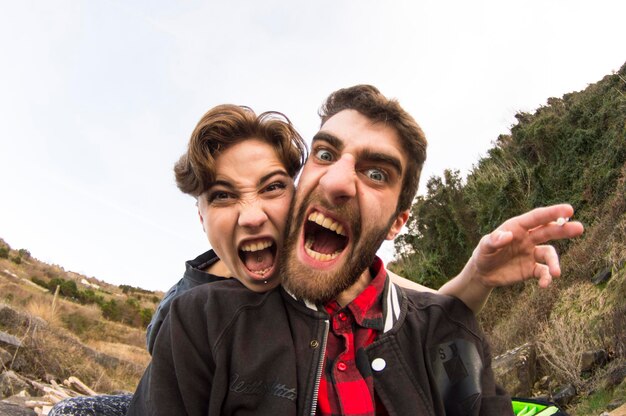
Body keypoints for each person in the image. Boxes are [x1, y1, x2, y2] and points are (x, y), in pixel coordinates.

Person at [126, 86, 583, 415]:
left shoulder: (441, 329)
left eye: (377, 173)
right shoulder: (198, 320)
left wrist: (471, 285)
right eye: (324, 155)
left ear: (398, 222)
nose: (338, 181)